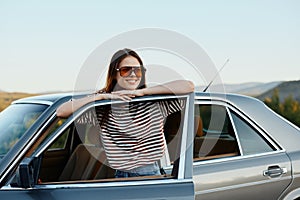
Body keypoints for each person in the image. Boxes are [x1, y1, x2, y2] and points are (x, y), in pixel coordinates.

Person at [56, 48, 194, 178]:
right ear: (114, 74)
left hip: (149, 175)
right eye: (126, 70)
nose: (133, 75)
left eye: (138, 71)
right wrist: (101, 97)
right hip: (119, 175)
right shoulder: (102, 107)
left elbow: (188, 86)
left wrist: (142, 92)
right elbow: (61, 111)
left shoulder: (154, 101)